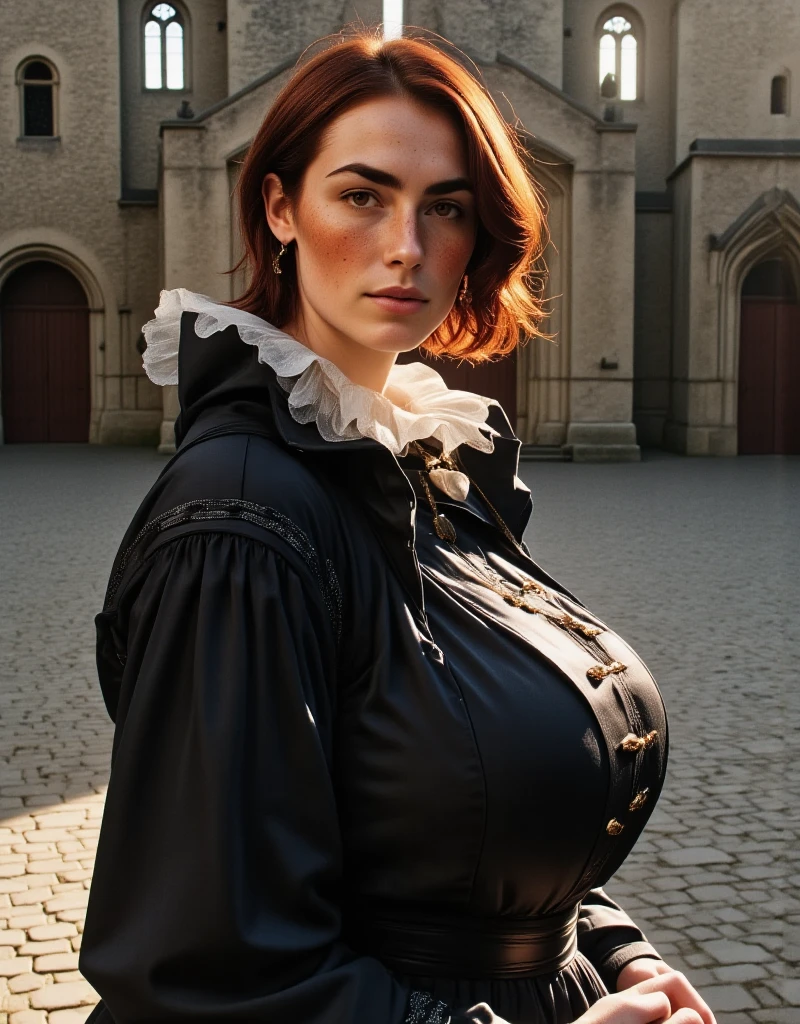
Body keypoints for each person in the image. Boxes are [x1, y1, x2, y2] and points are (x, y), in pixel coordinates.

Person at [79, 28, 716, 1024]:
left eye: (446, 207)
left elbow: (455, 806)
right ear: (279, 207)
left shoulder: (420, 465)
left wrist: (609, 947)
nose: (407, 246)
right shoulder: (240, 522)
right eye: (362, 194)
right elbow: (203, 969)